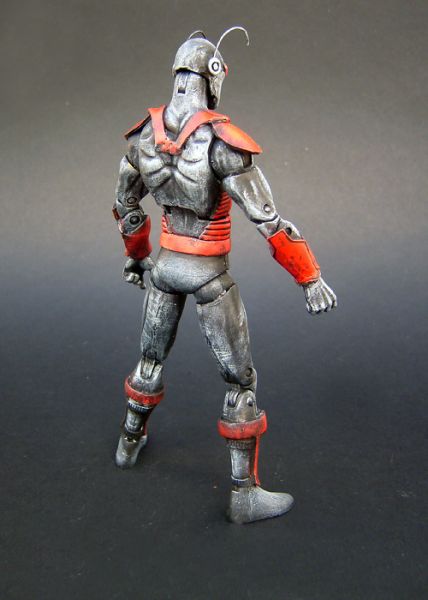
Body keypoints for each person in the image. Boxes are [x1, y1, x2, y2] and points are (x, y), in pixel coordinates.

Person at [112, 28, 337, 524]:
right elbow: (268, 220)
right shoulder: (220, 142)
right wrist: (310, 278)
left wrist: (137, 254)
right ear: (213, 78)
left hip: (165, 269)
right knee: (241, 382)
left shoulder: (145, 136)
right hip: (210, 276)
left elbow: (126, 202)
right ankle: (244, 494)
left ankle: (128, 443)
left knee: (149, 359)